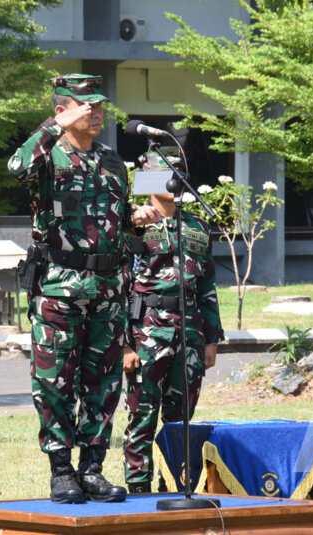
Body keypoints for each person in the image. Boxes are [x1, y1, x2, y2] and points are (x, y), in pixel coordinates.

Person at [8, 74, 160, 503]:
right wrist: (53, 126)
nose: (95, 113)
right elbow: (16, 167)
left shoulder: (112, 161)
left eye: (98, 106)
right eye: (85, 106)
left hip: (108, 290)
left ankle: (92, 468)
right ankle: (61, 470)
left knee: (104, 383)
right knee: (55, 382)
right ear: (62, 111)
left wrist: (135, 217)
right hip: (58, 288)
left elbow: (109, 218)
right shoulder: (47, 155)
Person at [122, 180, 225, 494]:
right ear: (149, 180)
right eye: (163, 171)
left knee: (181, 419)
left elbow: (207, 285)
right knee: (142, 413)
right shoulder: (132, 226)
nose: (172, 179)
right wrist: (124, 344)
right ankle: (138, 489)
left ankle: (174, 485)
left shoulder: (197, 226)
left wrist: (211, 338)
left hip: (190, 332)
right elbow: (118, 284)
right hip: (146, 330)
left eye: (177, 172)